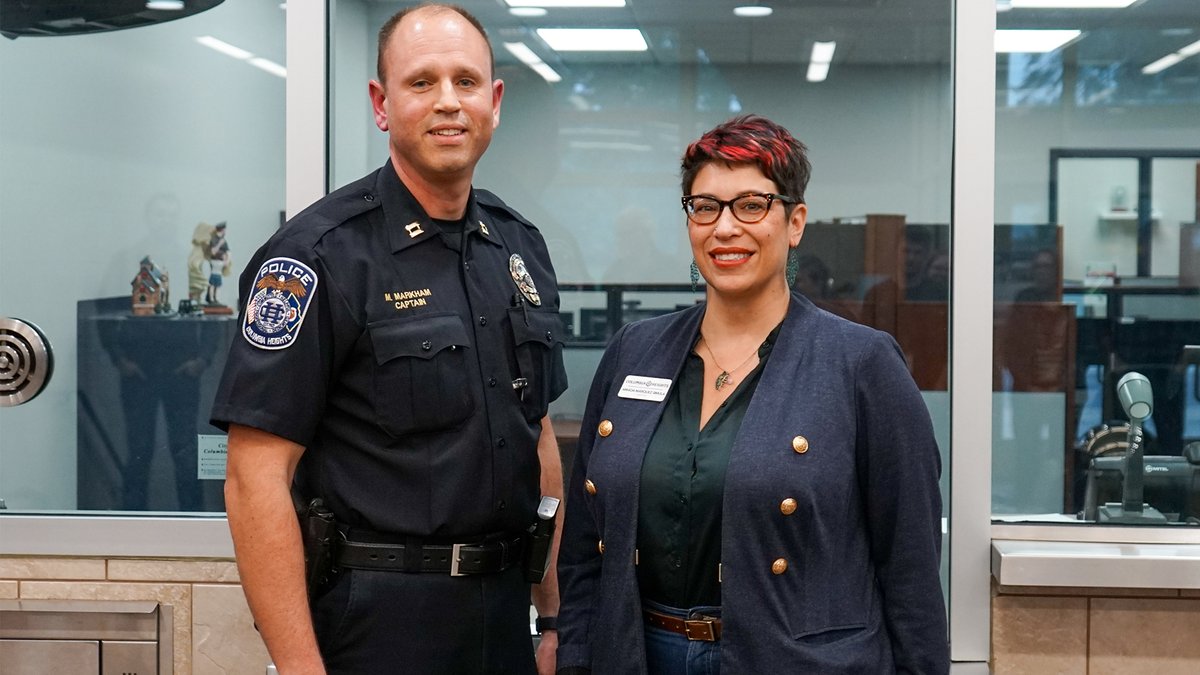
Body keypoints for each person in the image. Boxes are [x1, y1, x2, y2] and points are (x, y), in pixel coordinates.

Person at [210, 4, 567, 673]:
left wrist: (551, 616)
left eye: (466, 82)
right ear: (381, 104)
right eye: (421, 82)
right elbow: (252, 478)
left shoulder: (519, 247)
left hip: (501, 615)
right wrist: (300, 668)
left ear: (494, 102)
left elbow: (536, 434)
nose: (448, 103)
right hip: (377, 621)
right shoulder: (317, 257)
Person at [556, 115, 948, 674]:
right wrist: (574, 656)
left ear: (796, 222)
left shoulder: (862, 364)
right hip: (635, 654)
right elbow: (584, 547)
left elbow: (909, 567)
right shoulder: (634, 352)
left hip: (790, 660)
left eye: (751, 205)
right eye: (705, 206)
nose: (724, 228)